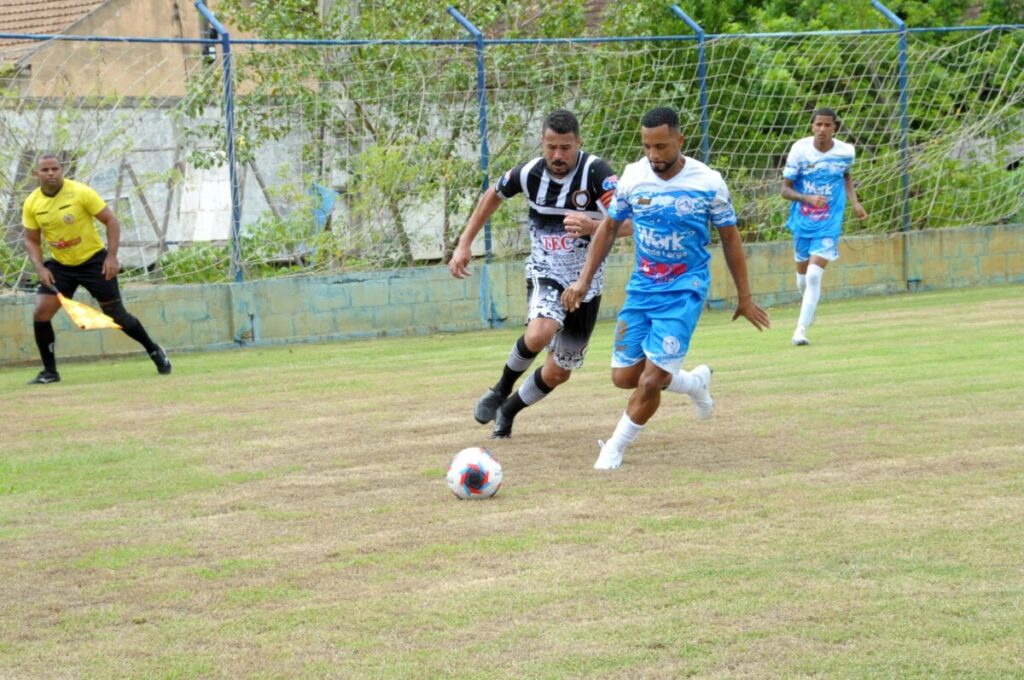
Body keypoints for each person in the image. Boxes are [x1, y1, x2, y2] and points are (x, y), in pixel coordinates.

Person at [562, 106, 770, 470]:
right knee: (625, 378)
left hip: (684, 290)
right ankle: (693, 384)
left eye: (661, 146)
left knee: (652, 380)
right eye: (647, 147)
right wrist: (582, 280)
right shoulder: (632, 178)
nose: (654, 155)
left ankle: (613, 448)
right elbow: (609, 228)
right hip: (642, 288)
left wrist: (745, 297)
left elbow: (731, 240)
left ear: (679, 141)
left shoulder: (707, 183)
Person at [448, 109, 629, 439]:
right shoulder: (529, 173)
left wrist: (594, 226)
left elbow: (631, 222)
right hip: (546, 269)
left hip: (586, 282)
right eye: (550, 147)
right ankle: (500, 389)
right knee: (539, 332)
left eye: (565, 147)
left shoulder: (598, 174)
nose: (557, 155)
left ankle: (509, 409)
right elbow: (492, 195)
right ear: (542, 143)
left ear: (578, 144)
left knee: (559, 372)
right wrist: (465, 242)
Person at [22, 153, 171, 384]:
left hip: (94, 262)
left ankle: (154, 350)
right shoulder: (32, 203)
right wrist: (40, 267)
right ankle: (50, 372)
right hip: (61, 266)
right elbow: (31, 239)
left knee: (117, 316)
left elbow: (111, 221)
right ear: (36, 174)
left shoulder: (81, 192)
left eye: (55, 169)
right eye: (45, 170)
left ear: (61, 170)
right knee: (41, 313)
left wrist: (111, 257)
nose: (50, 173)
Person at [781, 107, 868, 345]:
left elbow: (846, 175)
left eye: (827, 125)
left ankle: (800, 330)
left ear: (834, 128)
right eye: (818, 124)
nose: (822, 129)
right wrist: (807, 198)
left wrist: (855, 203)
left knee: (813, 276)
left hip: (829, 223)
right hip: (803, 221)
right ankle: (809, 309)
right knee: (802, 280)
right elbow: (784, 190)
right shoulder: (800, 150)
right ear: (812, 126)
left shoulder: (846, 152)